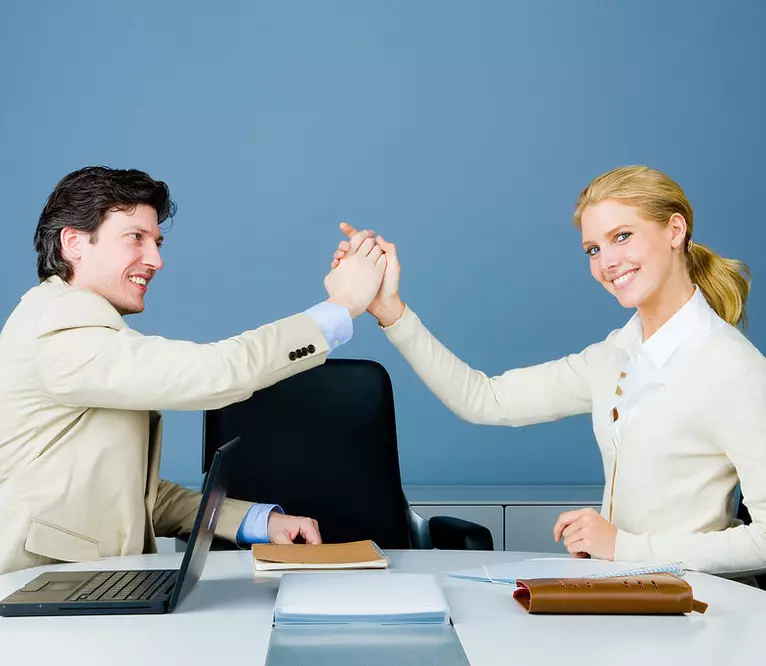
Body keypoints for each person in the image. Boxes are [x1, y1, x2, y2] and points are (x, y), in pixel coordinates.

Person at [332, 166, 766, 576]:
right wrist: (390, 310)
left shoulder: (731, 368)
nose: (607, 262)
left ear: (675, 230)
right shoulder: (617, 354)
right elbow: (485, 398)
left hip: (697, 615)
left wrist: (622, 547)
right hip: (626, 602)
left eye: (623, 236)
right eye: (594, 249)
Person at [0, 166, 386, 575]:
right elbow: (220, 372)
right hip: (33, 599)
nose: (156, 260)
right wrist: (341, 307)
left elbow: (136, 497)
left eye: (157, 242)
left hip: (84, 592)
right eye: (135, 237)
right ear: (74, 243)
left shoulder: (85, 333)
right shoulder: (59, 329)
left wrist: (258, 520)